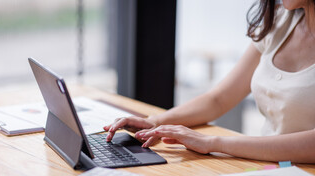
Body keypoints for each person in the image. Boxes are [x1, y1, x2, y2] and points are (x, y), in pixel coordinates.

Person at [104, 0, 315, 163]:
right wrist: (156, 122)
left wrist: (213, 143)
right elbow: (219, 98)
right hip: (272, 168)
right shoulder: (280, 21)